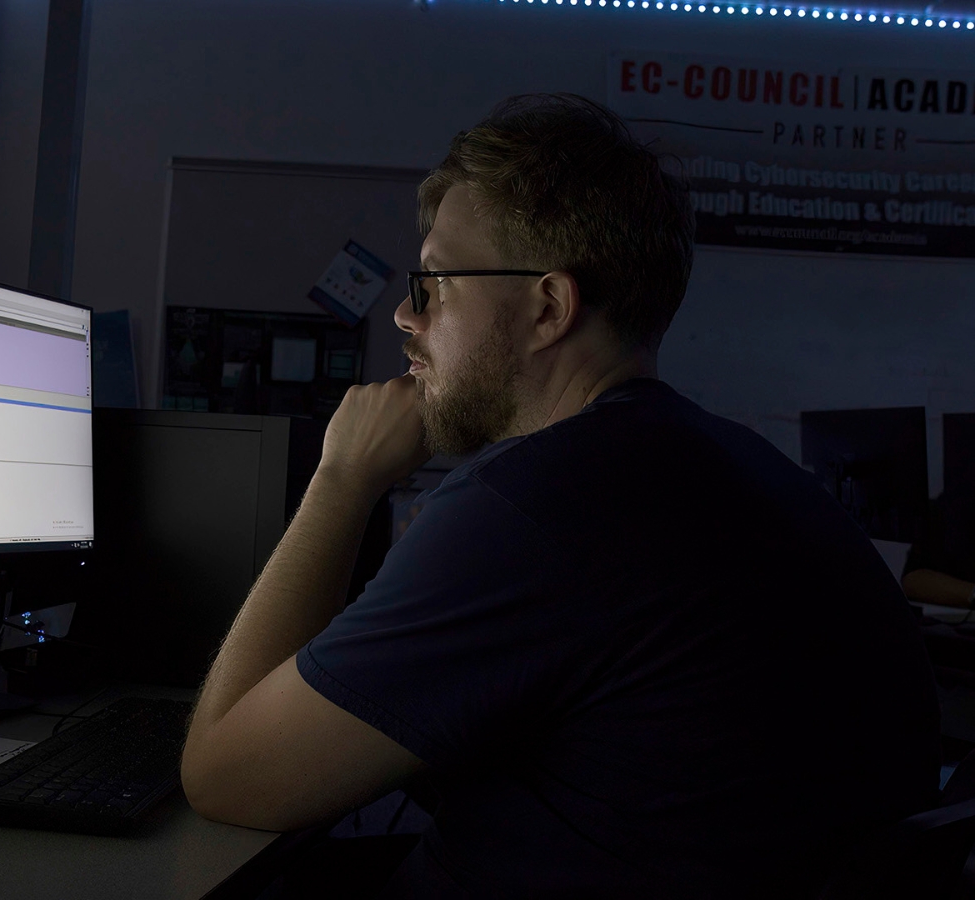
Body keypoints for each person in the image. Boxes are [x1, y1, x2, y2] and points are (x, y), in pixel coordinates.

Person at [179, 94, 939, 899]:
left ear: (547, 307)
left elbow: (227, 776)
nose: (406, 314)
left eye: (435, 281)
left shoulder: (531, 507)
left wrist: (342, 480)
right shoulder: (735, 465)